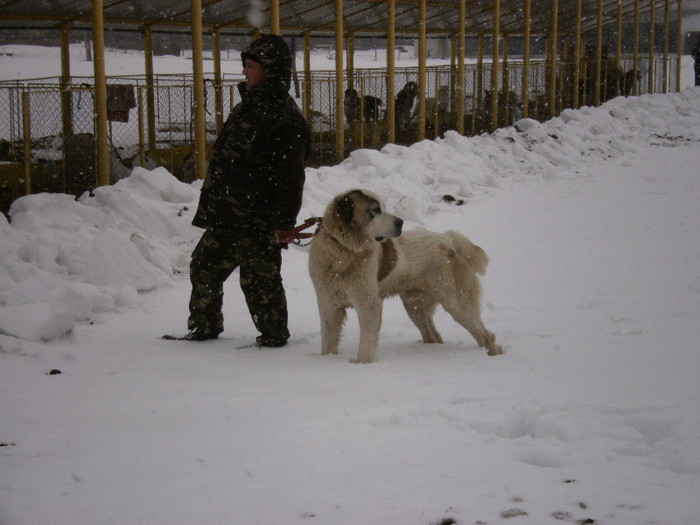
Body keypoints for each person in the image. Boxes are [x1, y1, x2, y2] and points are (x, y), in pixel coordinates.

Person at [181, 34, 310, 346]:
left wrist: (282, 222)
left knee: (259, 282)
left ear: (270, 71)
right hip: (228, 215)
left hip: (258, 219)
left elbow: (291, 178)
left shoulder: (284, 119)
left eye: (250, 66)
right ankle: (204, 327)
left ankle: (274, 338)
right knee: (203, 267)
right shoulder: (248, 107)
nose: (244, 72)